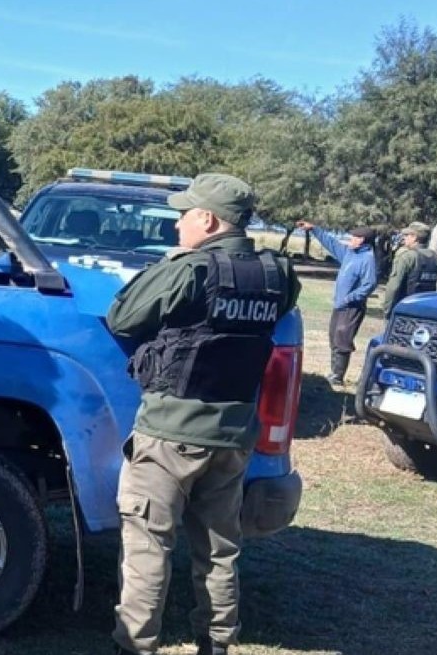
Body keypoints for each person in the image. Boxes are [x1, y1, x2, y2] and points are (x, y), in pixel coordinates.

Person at [107, 173, 299, 655]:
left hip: (169, 432)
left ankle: (136, 646)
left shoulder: (188, 270)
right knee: (219, 552)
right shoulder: (278, 274)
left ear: (208, 220)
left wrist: (169, 263)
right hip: (232, 437)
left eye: (184, 215)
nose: (177, 225)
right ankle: (216, 645)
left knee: (148, 549)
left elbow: (121, 317)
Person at [295, 220, 377, 386]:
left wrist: (349, 298)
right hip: (339, 305)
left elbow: (370, 284)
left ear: (362, 240)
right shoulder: (349, 253)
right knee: (334, 337)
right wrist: (314, 229)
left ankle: (338, 376)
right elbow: (331, 243)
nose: (350, 240)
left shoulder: (367, 259)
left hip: (352, 307)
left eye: (353, 237)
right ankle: (334, 372)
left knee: (343, 339)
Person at [382, 221, 437, 313]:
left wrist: (387, 310)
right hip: (425, 308)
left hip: (405, 307)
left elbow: (394, 286)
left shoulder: (407, 256)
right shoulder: (435, 257)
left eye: (407, 235)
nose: (404, 237)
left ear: (414, 238)